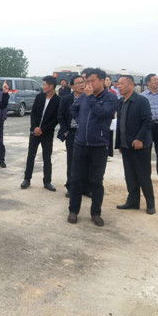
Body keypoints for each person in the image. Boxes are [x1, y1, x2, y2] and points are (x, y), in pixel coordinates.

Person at [68, 68, 118, 227]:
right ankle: (73, 210)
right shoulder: (83, 96)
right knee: (76, 179)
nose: (88, 84)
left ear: (102, 81)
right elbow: (73, 108)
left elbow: (102, 113)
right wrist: (80, 121)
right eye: (87, 81)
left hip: (99, 145)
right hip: (80, 143)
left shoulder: (110, 98)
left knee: (96, 181)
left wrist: (90, 97)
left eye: (92, 81)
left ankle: (96, 213)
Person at [115, 75, 155, 214]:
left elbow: (147, 121)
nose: (119, 86)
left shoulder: (141, 100)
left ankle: (150, 204)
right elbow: (120, 124)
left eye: (122, 83)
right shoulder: (121, 102)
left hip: (140, 146)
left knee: (143, 176)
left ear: (131, 85)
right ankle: (133, 202)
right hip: (126, 146)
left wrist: (139, 139)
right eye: (118, 84)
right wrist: (120, 143)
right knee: (130, 176)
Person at [20, 76, 61, 191]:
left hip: (47, 133)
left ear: (51, 86)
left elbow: (56, 119)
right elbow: (33, 113)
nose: (43, 86)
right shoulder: (39, 97)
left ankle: (47, 182)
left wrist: (42, 129)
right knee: (31, 155)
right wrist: (34, 127)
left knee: (46, 157)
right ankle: (27, 179)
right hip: (35, 132)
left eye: (44, 84)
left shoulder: (58, 100)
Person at [57, 75, 86, 197]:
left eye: (83, 82)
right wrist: (66, 132)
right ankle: (71, 187)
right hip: (72, 133)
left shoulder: (90, 98)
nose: (82, 85)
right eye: (78, 83)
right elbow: (60, 116)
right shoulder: (66, 99)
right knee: (72, 161)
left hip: (86, 134)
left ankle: (85, 187)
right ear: (72, 86)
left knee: (86, 161)